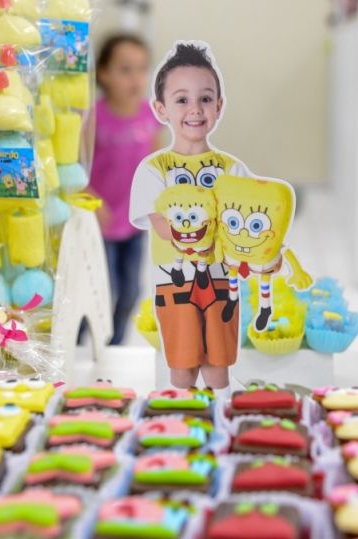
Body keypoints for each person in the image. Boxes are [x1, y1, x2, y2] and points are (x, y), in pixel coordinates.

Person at [129, 42, 252, 395]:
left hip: (222, 283)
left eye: (206, 99)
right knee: (182, 368)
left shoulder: (233, 169)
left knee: (218, 367)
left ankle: (217, 423)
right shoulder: (153, 169)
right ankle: (182, 420)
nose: (195, 109)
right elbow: (165, 228)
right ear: (161, 108)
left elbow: (248, 225)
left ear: (219, 106)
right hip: (175, 285)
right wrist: (217, 230)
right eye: (182, 99)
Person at [90, 34, 162, 344]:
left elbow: (157, 163)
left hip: (134, 222)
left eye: (142, 69)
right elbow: (77, 167)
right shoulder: (93, 117)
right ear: (104, 73)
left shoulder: (150, 115)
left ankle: (115, 344)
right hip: (101, 221)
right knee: (103, 288)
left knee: (132, 289)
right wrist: (92, 202)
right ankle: (84, 339)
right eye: (125, 69)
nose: (136, 78)